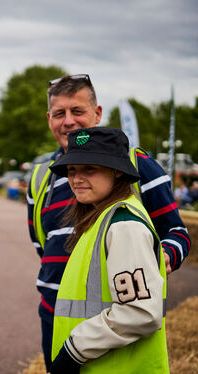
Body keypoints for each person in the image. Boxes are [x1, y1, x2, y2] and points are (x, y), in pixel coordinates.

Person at [26, 74, 191, 371]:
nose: (68, 122)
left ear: (97, 113)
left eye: (77, 111)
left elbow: (176, 232)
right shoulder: (40, 177)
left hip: (110, 323)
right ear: (49, 118)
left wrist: (157, 256)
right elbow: (42, 244)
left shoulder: (137, 166)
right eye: (60, 113)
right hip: (56, 315)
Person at [48, 127, 168, 373]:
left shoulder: (124, 224)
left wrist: (74, 350)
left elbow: (140, 312)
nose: (76, 178)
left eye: (89, 168)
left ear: (116, 170)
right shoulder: (103, 218)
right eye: (72, 170)